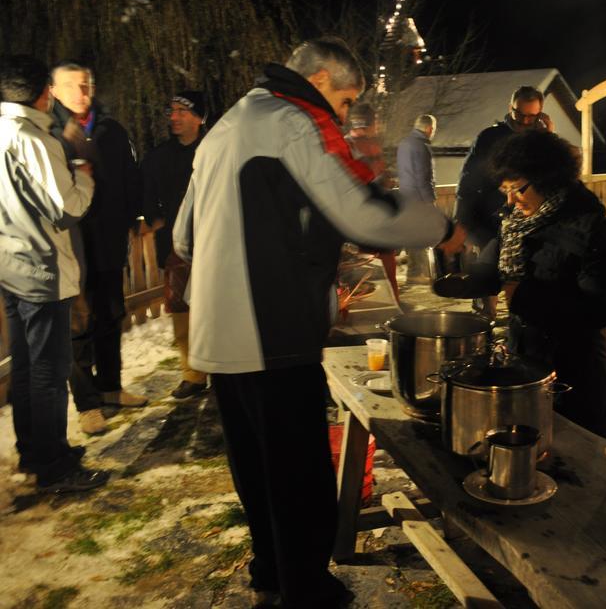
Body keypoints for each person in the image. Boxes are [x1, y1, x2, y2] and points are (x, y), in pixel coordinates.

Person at [173, 37, 465, 609]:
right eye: (345, 99)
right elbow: (361, 212)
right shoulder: (292, 120)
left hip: (218, 331)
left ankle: (272, 571)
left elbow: (183, 235)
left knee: (257, 467)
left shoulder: (229, 122)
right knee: (299, 472)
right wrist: (440, 227)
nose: (342, 114)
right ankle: (307, 591)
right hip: (270, 328)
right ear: (324, 79)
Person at [469, 131, 606, 441]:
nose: (510, 200)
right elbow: (494, 259)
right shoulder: (517, 222)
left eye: (517, 189)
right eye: (505, 190)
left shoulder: (593, 231)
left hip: (575, 371)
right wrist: (470, 278)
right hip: (526, 359)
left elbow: (598, 310)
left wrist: (522, 295)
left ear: (548, 179)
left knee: (583, 456)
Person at [0, 55, 108, 493]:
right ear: (43, 92)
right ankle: (54, 464)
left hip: (9, 266)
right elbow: (67, 208)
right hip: (41, 269)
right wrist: (83, 176)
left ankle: (33, 451)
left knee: (26, 367)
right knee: (49, 369)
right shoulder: (33, 140)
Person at [50, 60, 146, 435]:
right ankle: (87, 403)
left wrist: (132, 219)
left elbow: (130, 178)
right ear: (54, 91)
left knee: (111, 315)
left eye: (87, 85)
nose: (82, 93)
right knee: (78, 325)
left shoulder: (111, 129)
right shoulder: (51, 134)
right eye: (72, 86)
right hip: (72, 245)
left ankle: (111, 387)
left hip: (108, 240)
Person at [455, 86, 552, 316]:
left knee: (523, 285)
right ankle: (483, 330)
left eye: (532, 116)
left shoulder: (540, 139)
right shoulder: (490, 137)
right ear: (511, 109)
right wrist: (461, 220)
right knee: (486, 284)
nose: (526, 122)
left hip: (527, 224)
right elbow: (468, 180)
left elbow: (552, 175)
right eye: (521, 115)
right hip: (490, 222)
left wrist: (547, 136)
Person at [141, 92, 208, 398]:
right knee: (181, 307)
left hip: (213, 241)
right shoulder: (159, 156)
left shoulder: (213, 150)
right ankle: (192, 374)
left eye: (182, 111)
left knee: (214, 308)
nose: (175, 116)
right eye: (172, 110)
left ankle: (222, 367)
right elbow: (145, 191)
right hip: (175, 246)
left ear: (199, 117)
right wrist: (155, 218)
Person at [344, 102, 399, 299]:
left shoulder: (356, 144)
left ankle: (389, 305)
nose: (378, 125)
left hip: (366, 218)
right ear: (369, 122)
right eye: (376, 121)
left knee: (374, 272)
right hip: (366, 219)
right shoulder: (356, 146)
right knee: (372, 273)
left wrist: (385, 179)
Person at [396, 114, 438, 284]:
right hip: (419, 199)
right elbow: (423, 177)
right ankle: (418, 274)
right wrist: (430, 201)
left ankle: (413, 273)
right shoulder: (421, 147)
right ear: (429, 129)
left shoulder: (404, 143)